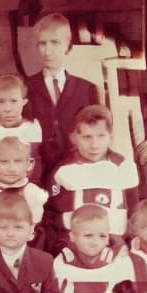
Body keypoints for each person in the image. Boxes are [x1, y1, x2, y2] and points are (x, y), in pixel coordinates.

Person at [44, 104, 138, 252]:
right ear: (74, 138)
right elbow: (53, 213)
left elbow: (133, 210)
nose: (94, 144)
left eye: (101, 136)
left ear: (110, 137)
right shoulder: (64, 171)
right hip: (73, 243)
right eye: (87, 137)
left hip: (115, 241)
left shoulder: (123, 168)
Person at [23, 13, 100, 177]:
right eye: (42, 43)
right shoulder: (25, 87)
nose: (48, 50)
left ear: (68, 46)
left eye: (55, 43)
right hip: (37, 170)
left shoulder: (87, 89)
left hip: (76, 168)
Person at [0, 136, 48, 252]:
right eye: (4, 162)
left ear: (30, 164)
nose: (11, 168)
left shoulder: (35, 194)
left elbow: (36, 235)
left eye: (18, 161)